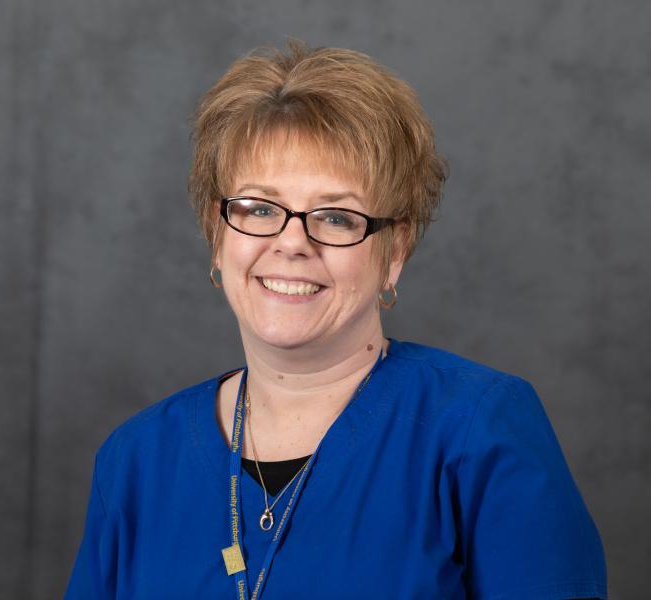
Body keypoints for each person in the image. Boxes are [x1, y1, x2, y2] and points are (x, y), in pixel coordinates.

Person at [65, 40, 607, 599]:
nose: (291, 242)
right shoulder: (134, 462)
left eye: (335, 216)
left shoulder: (479, 432)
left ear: (394, 250)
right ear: (216, 233)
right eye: (259, 208)